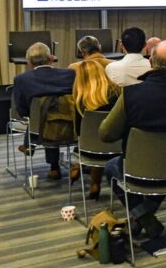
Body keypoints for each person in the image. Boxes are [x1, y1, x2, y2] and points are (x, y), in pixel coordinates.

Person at [99, 40, 166, 239]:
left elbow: (106, 134)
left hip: (140, 169)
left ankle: (145, 219)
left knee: (112, 167)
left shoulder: (131, 94)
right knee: (164, 167)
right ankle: (145, 217)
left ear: (151, 63)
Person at [13, 42, 77, 180]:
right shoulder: (70, 74)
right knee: (52, 113)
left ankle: (51, 164)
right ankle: (60, 165)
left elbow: (22, 110)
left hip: (40, 129)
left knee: (43, 115)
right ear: (51, 58)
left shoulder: (22, 79)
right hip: (71, 127)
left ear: (29, 62)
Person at [72, 58, 121, 199]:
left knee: (92, 144)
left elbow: (79, 133)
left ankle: (93, 182)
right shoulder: (117, 95)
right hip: (116, 150)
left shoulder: (80, 103)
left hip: (89, 152)